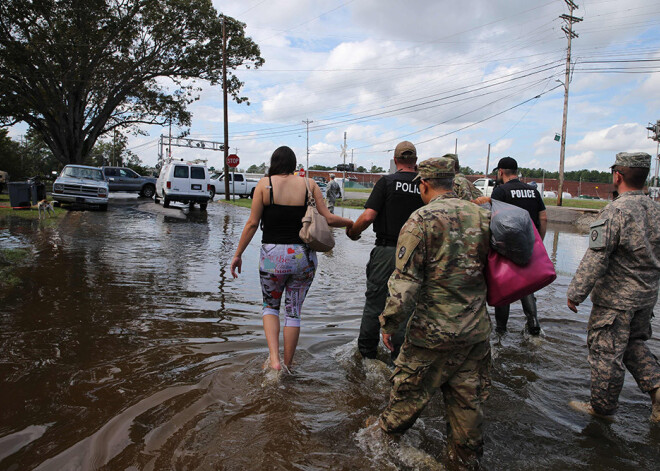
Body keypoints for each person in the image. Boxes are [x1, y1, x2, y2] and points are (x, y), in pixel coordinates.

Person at [376, 157, 492, 470]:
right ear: (454, 182)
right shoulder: (483, 217)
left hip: (431, 336)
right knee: (468, 431)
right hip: (475, 335)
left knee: (394, 421)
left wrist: (389, 323)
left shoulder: (422, 220)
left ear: (425, 184)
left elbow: (406, 284)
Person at [230, 146, 353, 371]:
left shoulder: (264, 185)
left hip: (272, 257)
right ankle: (288, 364)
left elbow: (252, 224)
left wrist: (238, 254)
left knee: (270, 307)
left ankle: (274, 360)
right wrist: (352, 223)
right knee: (293, 312)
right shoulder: (309, 184)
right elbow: (328, 218)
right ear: (294, 164)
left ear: (273, 162)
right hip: (303, 257)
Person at [566, 152, 660, 422]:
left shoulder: (615, 210)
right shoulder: (655, 209)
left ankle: (602, 408)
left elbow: (597, 256)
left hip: (616, 301)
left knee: (605, 353)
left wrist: (576, 293)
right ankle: (657, 388)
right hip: (646, 297)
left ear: (618, 175)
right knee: (633, 345)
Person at [346, 141, 424, 360]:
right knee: (407, 303)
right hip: (416, 255)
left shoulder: (387, 182)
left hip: (387, 251)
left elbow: (369, 216)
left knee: (375, 302)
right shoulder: (425, 186)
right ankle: (399, 356)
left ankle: (366, 355)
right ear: (415, 161)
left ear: (396, 160)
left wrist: (353, 232)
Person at [490, 156, 547, 335]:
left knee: (504, 288)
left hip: (505, 247)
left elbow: (493, 219)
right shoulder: (532, 191)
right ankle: (534, 324)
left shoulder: (501, 192)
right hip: (529, 245)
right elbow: (543, 217)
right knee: (526, 285)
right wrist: (539, 242)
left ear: (500, 172)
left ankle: (500, 331)